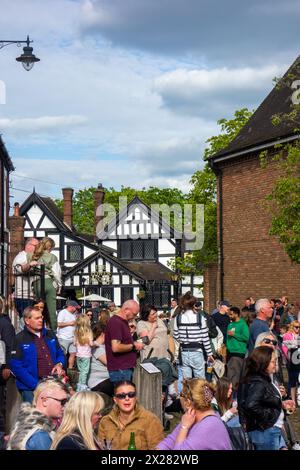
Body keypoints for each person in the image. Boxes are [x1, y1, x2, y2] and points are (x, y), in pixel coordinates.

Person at [238, 346, 295, 450]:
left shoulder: (263, 379)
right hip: (265, 432)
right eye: (273, 362)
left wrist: (281, 404)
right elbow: (250, 405)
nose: (276, 364)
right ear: (264, 363)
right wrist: (268, 417)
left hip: (268, 431)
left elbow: (262, 401)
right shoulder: (259, 383)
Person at [10, 305, 66, 403]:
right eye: (37, 318)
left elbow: (60, 353)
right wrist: (36, 385)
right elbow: (16, 366)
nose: (41, 320)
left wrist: (59, 364)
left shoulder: (50, 335)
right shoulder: (19, 338)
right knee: (35, 416)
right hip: (31, 388)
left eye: (41, 317)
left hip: (53, 383)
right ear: (27, 320)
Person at [157, 378, 232, 450]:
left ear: (188, 403)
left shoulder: (209, 426)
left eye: (181, 397)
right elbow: (171, 440)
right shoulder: (191, 417)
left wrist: (184, 428)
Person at [98, 381, 164, 450]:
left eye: (131, 395)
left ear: (135, 398)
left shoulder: (150, 420)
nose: (127, 398)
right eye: (121, 396)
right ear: (115, 400)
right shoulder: (105, 421)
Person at [7, 377, 69, 450]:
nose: (65, 406)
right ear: (45, 401)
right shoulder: (40, 436)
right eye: (62, 402)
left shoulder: (24, 422)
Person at [173, 293, 213, 380]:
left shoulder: (178, 318)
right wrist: (209, 354)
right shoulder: (199, 317)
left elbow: (175, 335)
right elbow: (205, 337)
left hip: (184, 351)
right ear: (194, 304)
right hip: (197, 351)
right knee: (200, 381)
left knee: (187, 382)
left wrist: (183, 339)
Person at [105, 300, 144, 384]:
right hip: (120, 369)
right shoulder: (116, 322)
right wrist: (133, 346)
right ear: (126, 309)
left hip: (123, 369)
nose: (134, 317)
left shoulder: (122, 322)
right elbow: (115, 347)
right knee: (123, 395)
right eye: (134, 314)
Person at [27, 237, 62, 331]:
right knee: (51, 309)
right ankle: (53, 331)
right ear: (50, 247)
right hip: (49, 282)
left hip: (36, 284)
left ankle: (35, 328)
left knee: (37, 308)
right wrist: (59, 285)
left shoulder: (31, 255)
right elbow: (57, 273)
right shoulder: (52, 257)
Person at [12, 238, 39, 319]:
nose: (38, 248)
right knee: (27, 321)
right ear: (29, 246)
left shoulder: (30, 257)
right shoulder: (21, 257)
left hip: (30, 296)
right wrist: (29, 264)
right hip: (23, 296)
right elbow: (21, 268)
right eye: (36, 246)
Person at [226, 306, 249, 390]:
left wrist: (234, 334)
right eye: (229, 314)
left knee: (235, 375)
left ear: (237, 314)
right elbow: (228, 338)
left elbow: (246, 337)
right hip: (229, 352)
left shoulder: (243, 324)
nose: (230, 316)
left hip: (238, 352)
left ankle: (235, 397)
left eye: (231, 314)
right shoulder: (230, 324)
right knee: (230, 374)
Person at [87, 323, 113, 396]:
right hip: (98, 382)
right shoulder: (96, 347)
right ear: (103, 334)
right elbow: (109, 363)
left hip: (105, 380)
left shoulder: (102, 346)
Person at [74, 315, 94, 392]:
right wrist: (95, 344)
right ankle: (82, 386)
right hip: (86, 355)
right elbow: (91, 344)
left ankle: (80, 385)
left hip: (79, 355)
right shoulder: (89, 332)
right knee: (85, 372)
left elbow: (74, 343)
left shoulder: (76, 331)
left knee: (81, 371)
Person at [282, 321, 300, 404]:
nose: (298, 328)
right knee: (292, 380)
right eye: (296, 327)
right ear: (292, 326)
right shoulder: (287, 335)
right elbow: (284, 347)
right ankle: (293, 400)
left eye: (299, 327)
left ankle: (298, 398)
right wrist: (288, 357)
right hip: (292, 360)